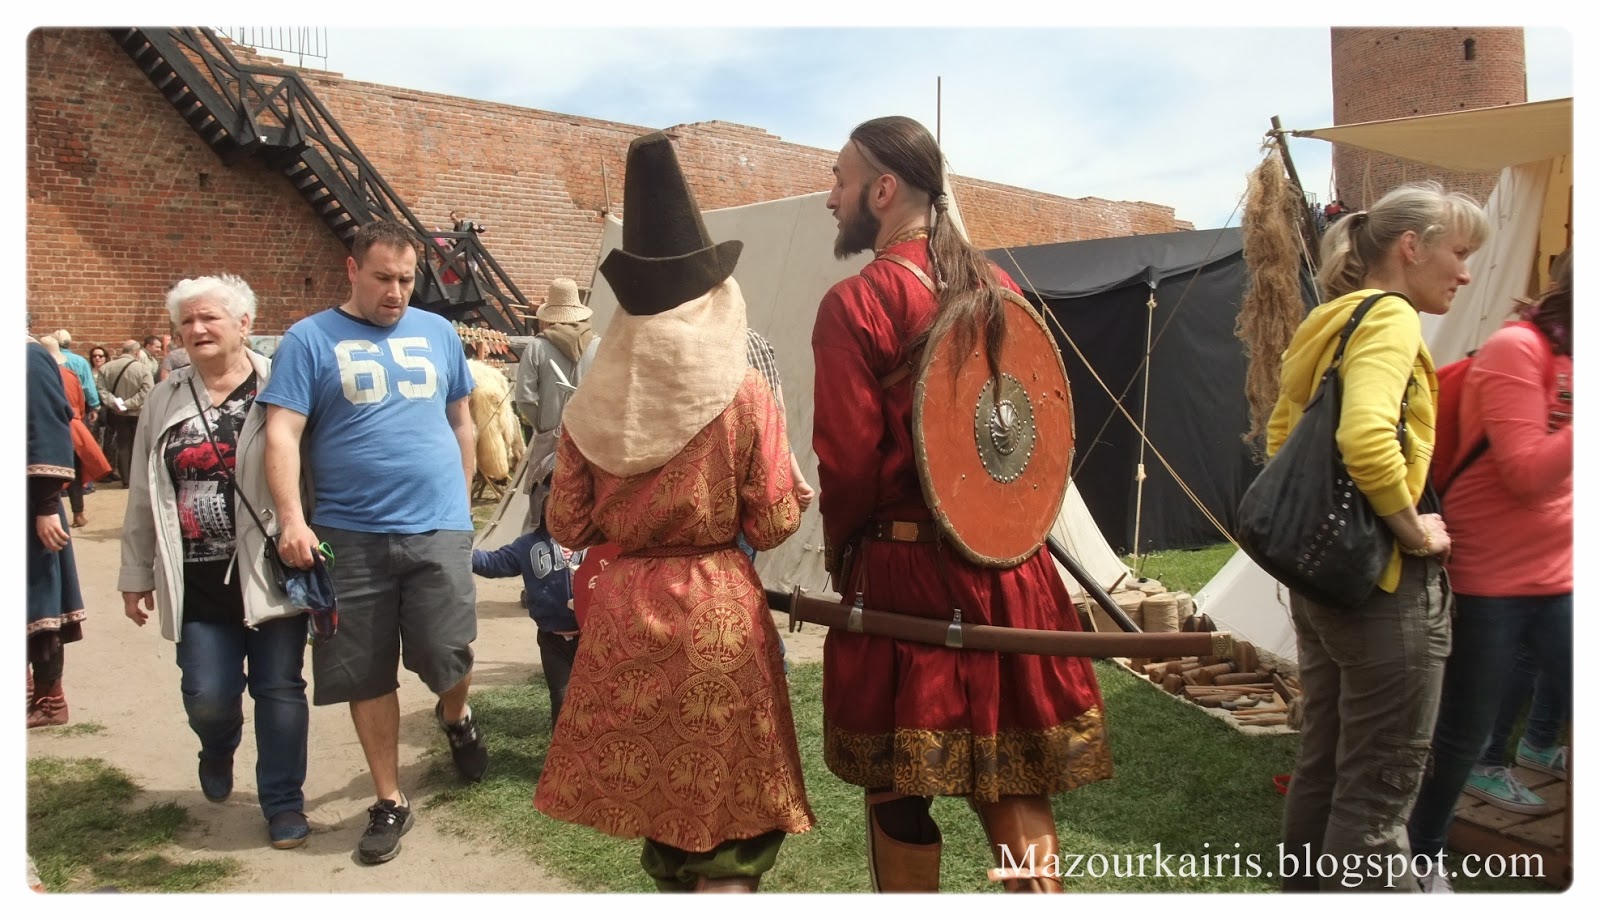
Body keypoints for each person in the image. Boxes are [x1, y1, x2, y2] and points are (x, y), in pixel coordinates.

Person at [809, 115, 1111, 893]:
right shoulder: (998, 288)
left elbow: (847, 463)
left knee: (898, 782)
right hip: (1008, 571)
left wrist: (843, 551)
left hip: (904, 570)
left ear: (883, 190)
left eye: (840, 180)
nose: (831, 197)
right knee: (1011, 780)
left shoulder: (858, 303)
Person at [532, 131, 814, 893]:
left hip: (626, 617)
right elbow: (774, 522)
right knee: (727, 824)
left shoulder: (592, 403)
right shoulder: (744, 394)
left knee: (660, 800)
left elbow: (567, 525)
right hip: (715, 616)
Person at [1268, 181, 1489, 892]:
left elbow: (1279, 438)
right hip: (1383, 586)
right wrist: (1411, 527)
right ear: (1411, 247)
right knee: (1377, 793)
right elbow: (1365, 436)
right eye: (1459, 253)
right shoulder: (1392, 318)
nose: (1465, 273)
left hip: (1323, 584)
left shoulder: (1329, 318)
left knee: (1324, 766)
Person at [259, 219, 488, 866]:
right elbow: (283, 433)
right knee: (363, 668)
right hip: (348, 533)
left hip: (437, 526)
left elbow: (462, 421)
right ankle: (389, 799)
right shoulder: (309, 339)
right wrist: (291, 519)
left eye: (407, 279)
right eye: (383, 278)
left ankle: (455, 716)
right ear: (352, 269)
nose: (396, 292)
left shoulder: (438, 332)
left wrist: (461, 503)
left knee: (447, 649)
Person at [116, 274, 312, 850]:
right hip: (196, 575)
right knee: (206, 693)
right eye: (187, 321)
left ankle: (283, 803)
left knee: (280, 688)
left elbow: (314, 475)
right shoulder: (165, 397)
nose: (197, 329)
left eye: (209, 318)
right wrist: (135, 573)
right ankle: (218, 744)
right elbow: (142, 492)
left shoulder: (281, 385)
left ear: (244, 324)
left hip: (269, 569)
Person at [1407, 254, 1572, 889]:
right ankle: (1423, 858)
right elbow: (1527, 474)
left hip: (1563, 574)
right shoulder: (1516, 348)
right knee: (1464, 737)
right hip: (1491, 580)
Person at [470, 459, 581, 721]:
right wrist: (462, 553)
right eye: (554, 501)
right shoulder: (527, 546)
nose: (562, 509)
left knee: (593, 697)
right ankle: (559, 745)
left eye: (570, 502)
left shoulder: (593, 543)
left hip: (591, 637)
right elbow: (495, 563)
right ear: (539, 504)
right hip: (552, 640)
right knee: (561, 698)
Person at [27, 336, 86, 728]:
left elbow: (46, 427)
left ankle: (49, 700)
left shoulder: (27, 357)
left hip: (30, 504)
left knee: (37, 601)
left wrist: (47, 506)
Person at [39, 335, 110, 527]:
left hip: (46, 428)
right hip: (72, 426)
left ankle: (48, 514)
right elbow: (80, 401)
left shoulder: (34, 375)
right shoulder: (70, 374)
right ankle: (78, 513)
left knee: (46, 472)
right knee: (75, 471)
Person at [101, 339, 157, 486]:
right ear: (137, 353)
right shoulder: (143, 369)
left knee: (122, 444)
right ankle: (136, 477)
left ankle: (126, 479)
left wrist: (117, 404)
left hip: (117, 413)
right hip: (137, 412)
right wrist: (129, 404)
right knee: (138, 445)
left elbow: (102, 390)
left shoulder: (106, 367)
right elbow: (148, 391)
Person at [53, 328, 102, 423]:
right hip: (76, 408)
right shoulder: (81, 361)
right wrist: (94, 406)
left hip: (54, 406)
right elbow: (88, 386)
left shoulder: (48, 359)